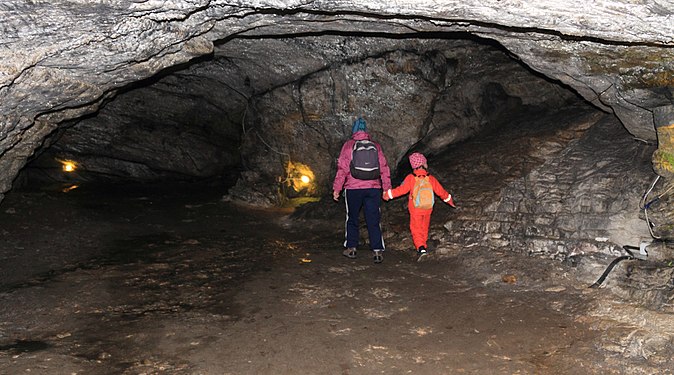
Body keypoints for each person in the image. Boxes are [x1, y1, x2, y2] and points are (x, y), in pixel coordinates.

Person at [333, 117, 392, 264]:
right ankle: (377, 250)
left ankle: (351, 248)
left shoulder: (348, 146)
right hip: (373, 188)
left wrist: (337, 189)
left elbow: (342, 169)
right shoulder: (376, 146)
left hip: (353, 188)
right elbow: (384, 168)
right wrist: (387, 188)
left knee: (352, 218)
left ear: (354, 131)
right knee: (373, 219)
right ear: (366, 131)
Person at [382, 152, 456, 257]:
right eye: (425, 161)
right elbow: (441, 192)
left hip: (415, 208)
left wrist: (388, 195)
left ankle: (421, 247)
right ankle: (424, 244)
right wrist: (450, 200)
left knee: (416, 228)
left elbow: (401, 190)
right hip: (428, 207)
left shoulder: (411, 178)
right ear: (422, 163)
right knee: (424, 226)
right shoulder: (430, 178)